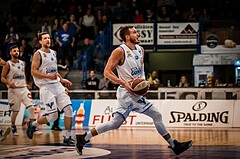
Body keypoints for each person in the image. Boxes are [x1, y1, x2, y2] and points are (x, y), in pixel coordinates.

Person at [75, 25, 192, 155]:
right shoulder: (119, 51)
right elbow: (107, 72)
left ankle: (83, 138)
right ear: (127, 37)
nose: (138, 34)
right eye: (134, 32)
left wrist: (144, 84)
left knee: (121, 122)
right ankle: (174, 144)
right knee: (143, 117)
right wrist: (124, 83)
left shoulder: (141, 50)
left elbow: (139, 74)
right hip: (126, 93)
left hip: (136, 93)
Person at [27, 32, 74, 145]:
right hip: (46, 87)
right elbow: (33, 71)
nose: (47, 40)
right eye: (45, 38)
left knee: (69, 110)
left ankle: (67, 137)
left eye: (48, 38)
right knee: (53, 116)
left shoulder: (53, 52)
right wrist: (48, 76)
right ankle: (33, 125)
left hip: (57, 85)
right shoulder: (38, 54)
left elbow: (54, 70)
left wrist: (62, 80)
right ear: (40, 41)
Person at [1, 45, 36, 136]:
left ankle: (31, 126)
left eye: (17, 51)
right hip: (14, 90)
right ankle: (13, 125)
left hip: (23, 88)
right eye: (14, 51)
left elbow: (23, 74)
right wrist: (9, 83)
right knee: (15, 112)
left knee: (32, 107)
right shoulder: (7, 64)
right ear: (10, 53)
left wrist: (26, 83)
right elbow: (2, 77)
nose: (17, 52)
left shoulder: (22, 63)